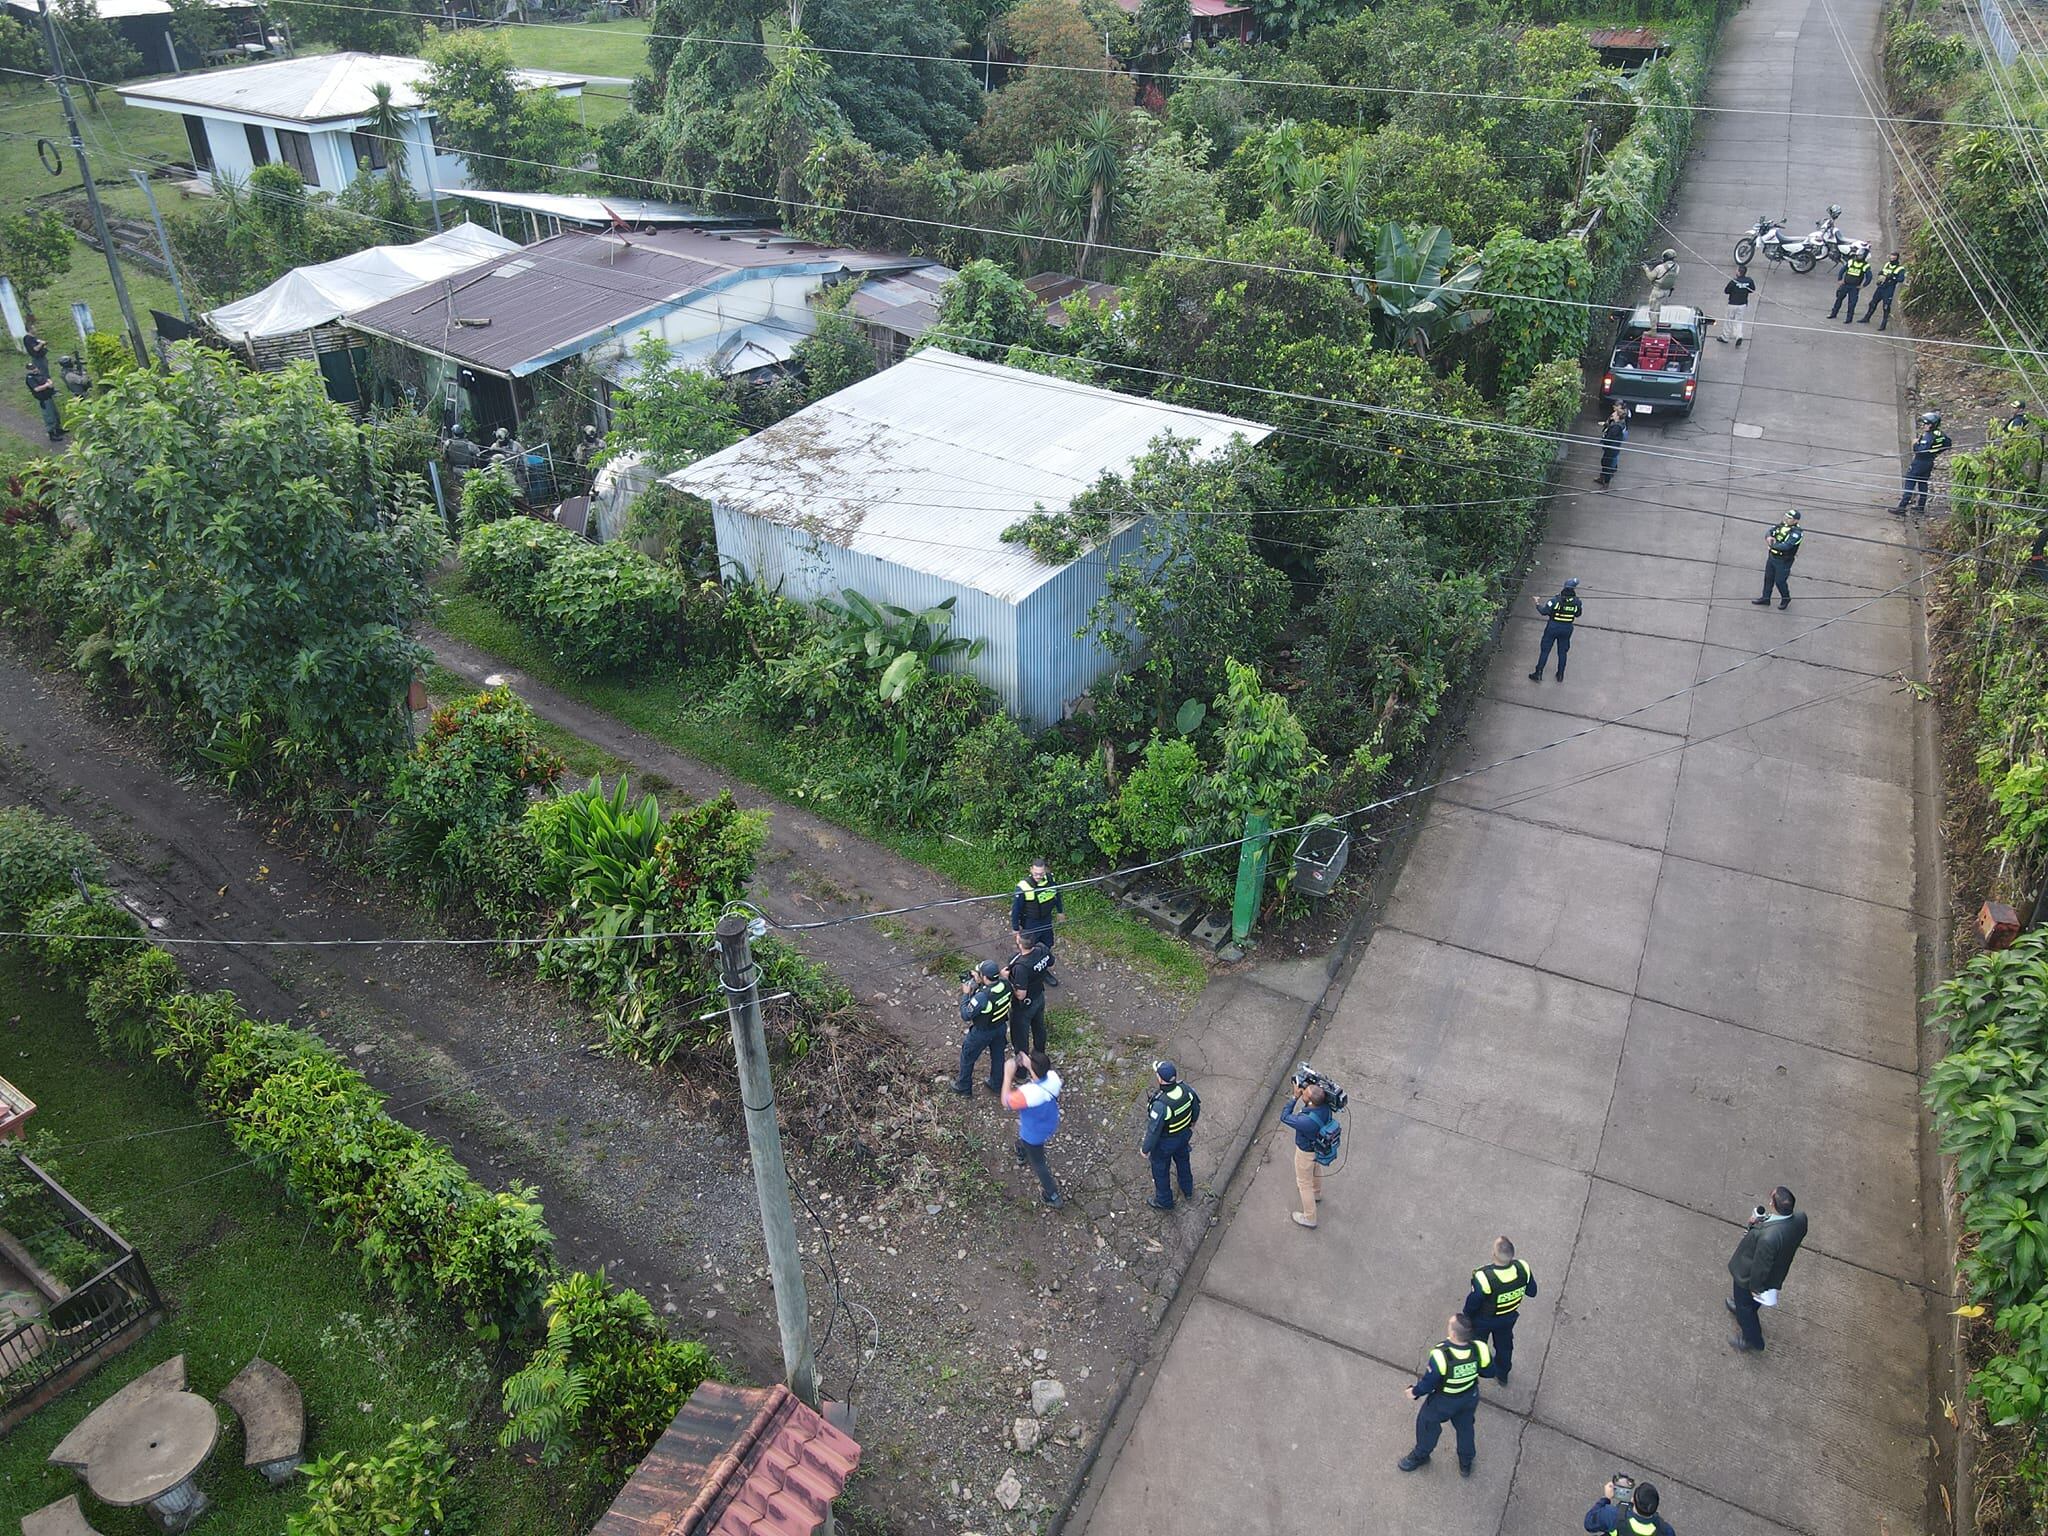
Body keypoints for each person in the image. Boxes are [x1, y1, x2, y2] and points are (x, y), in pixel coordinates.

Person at [1398, 1313, 1494, 1476]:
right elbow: (1489, 1372)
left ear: (1453, 1334)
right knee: (1465, 1429)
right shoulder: (1480, 1348)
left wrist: (1414, 1392)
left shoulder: (1441, 1354)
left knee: (1427, 1424)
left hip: (1444, 1401)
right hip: (1469, 1397)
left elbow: (1429, 1383)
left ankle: (1420, 1455)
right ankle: (1466, 1462)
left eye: (1450, 1325)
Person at [1727, 1185, 1808, 1352]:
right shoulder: (1801, 1219)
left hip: (1750, 1278)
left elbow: (1760, 1266)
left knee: (1745, 1307)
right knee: (1749, 1304)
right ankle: (1744, 1307)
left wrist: (1755, 1289)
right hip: (1777, 1271)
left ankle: (1753, 1340)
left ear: (1772, 1204)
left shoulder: (1768, 1238)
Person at [1462, 1236, 1537, 1387]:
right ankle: (1502, 1374)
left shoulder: (1484, 1277)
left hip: (1484, 1320)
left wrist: (1466, 1318)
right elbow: (1532, 1292)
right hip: (1507, 1318)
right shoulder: (1523, 1269)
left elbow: (1472, 1303)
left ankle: (1476, 1372)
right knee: (1505, 1346)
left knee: (1477, 1345)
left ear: (1494, 1255)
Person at [1003, 1049, 1063, 1207]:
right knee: (1026, 1143)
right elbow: (1041, 1072)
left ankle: (1052, 1194)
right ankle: (1021, 1150)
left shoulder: (1027, 1094)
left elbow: (1005, 1101)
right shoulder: (1053, 1078)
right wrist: (1029, 1063)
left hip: (1033, 1134)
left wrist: (1008, 1075)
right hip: (1049, 1122)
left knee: (1039, 1163)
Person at [1141, 1060, 1200, 1211]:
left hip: (1165, 1145)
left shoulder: (1161, 1105)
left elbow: (1153, 1131)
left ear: (1160, 1079)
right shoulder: (1186, 1090)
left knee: (1160, 1171)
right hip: (1183, 1137)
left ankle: (1164, 1201)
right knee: (1183, 1162)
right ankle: (1187, 1189)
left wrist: (1145, 1149)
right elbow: (1196, 1107)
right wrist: (1192, 1122)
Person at [1278, 1081, 1334, 1229]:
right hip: (1318, 1148)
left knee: (1304, 1184)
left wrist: (1294, 1097)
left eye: (1305, 1093)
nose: (1302, 1092)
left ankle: (1310, 1218)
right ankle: (1316, 1193)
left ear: (1309, 1101)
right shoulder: (1325, 1107)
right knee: (1316, 1169)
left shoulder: (1306, 1121)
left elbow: (1284, 1116)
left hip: (1305, 1152)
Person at [954, 960, 1013, 1096]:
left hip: (982, 1032)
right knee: (998, 1056)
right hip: (1000, 1027)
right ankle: (996, 1084)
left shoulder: (982, 997)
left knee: (967, 1057)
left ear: (985, 977)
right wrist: (980, 982)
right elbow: (994, 988)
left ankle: (963, 1086)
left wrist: (966, 994)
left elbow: (965, 1014)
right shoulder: (1005, 984)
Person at [1010, 859, 1065, 987]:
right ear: (1031, 870)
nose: (1038, 877)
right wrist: (1015, 928)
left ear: (1045, 871)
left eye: (1041, 874)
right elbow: (1015, 909)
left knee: (1047, 946)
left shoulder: (1050, 880)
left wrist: (1060, 911)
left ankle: (1043, 971)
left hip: (1046, 920)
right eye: (1036, 874)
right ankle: (1025, 973)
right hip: (1030, 923)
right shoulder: (1023, 887)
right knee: (1028, 950)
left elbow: (1057, 895)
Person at [1894, 411, 1952, 515]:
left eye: (1925, 424)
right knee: (1922, 483)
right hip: (1929, 462)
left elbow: (1920, 450)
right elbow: (1948, 443)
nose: (1923, 426)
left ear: (1931, 425)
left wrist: (1915, 443)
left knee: (1910, 481)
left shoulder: (1928, 436)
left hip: (1919, 462)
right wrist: (1936, 452)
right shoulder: (1939, 434)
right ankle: (1921, 506)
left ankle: (1902, 507)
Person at [1528, 577, 1582, 684]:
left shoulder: (1554, 601)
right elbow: (1578, 614)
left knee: (1545, 650)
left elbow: (1544, 612)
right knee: (1562, 652)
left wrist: (1537, 603)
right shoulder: (1577, 602)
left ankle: (1538, 673)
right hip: (1567, 629)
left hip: (1552, 628)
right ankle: (1560, 675)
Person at [1005, 937, 1052, 1056]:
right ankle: (1039, 1056)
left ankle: (1021, 1071)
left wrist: (1007, 981)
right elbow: (1051, 961)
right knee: (1039, 1028)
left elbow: (1020, 995)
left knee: (1020, 1037)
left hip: (1024, 1006)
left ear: (1020, 944)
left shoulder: (1021, 966)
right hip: (1039, 997)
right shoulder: (1042, 949)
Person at [1752, 509, 1803, 610]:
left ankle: (1786, 598)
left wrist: (1772, 545)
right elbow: (1770, 531)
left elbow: (1786, 546)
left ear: (1796, 521)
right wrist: (1768, 537)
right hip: (1772, 557)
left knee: (1780, 581)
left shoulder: (1796, 533)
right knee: (1768, 578)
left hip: (1783, 560)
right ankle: (1766, 598)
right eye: (1786, 516)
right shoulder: (1782, 525)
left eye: (1789, 518)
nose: (1786, 519)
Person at [1586, 1480, 1675, 1535]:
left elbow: (1589, 1523)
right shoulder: (1666, 1531)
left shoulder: (1612, 1515)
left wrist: (1605, 1498)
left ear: (1633, 1500)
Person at [1861, 253, 1906, 329]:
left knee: (1886, 307)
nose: (1891, 260)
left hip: (1889, 289)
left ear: (1897, 259)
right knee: (1872, 303)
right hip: (1881, 287)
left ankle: (1883, 325)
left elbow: (1901, 279)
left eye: (1893, 259)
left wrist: (1893, 277)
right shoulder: (1887, 264)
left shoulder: (1900, 269)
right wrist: (1881, 274)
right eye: (1891, 258)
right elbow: (1883, 272)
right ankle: (1866, 318)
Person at [1827, 244, 1871, 322]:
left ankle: (1849, 319)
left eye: (1860, 256)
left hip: (1854, 287)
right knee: (1838, 299)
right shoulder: (1851, 262)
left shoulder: (1865, 265)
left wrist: (1863, 285)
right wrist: (1840, 279)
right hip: (1845, 285)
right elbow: (1842, 270)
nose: (1858, 257)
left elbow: (1869, 277)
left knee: (1852, 303)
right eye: (1857, 255)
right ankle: (1833, 314)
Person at [1719, 263, 1755, 345]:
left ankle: (1725, 337)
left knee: (1728, 320)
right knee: (1738, 321)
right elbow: (1752, 289)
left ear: (1739, 272)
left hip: (1732, 304)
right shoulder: (1749, 281)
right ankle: (1739, 336)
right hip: (1742, 304)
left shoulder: (1734, 281)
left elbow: (1726, 291)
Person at [25, 365, 63, 443]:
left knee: (55, 414)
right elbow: (37, 389)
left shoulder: (39, 374)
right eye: (31, 369)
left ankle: (58, 430)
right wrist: (47, 385)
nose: (34, 370)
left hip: (49, 397)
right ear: (28, 371)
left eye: (34, 368)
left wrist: (50, 383)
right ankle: (52, 435)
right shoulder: (30, 378)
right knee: (49, 417)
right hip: (44, 399)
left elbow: (48, 380)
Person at [1596, 404, 1628, 487]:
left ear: (1617, 416)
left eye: (1614, 414)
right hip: (1611, 448)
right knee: (1604, 462)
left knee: (1607, 465)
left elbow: (1610, 435)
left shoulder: (1617, 426)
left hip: (1611, 448)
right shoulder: (1618, 424)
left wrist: (1605, 437)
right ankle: (1602, 478)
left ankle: (1606, 483)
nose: (1612, 414)